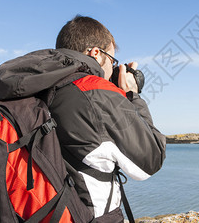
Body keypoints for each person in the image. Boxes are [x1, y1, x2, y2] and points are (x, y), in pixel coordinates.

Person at [50, 15, 166, 222]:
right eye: (112, 60)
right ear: (96, 53)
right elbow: (151, 159)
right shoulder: (96, 93)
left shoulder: (41, 87)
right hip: (89, 215)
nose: (111, 68)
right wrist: (132, 94)